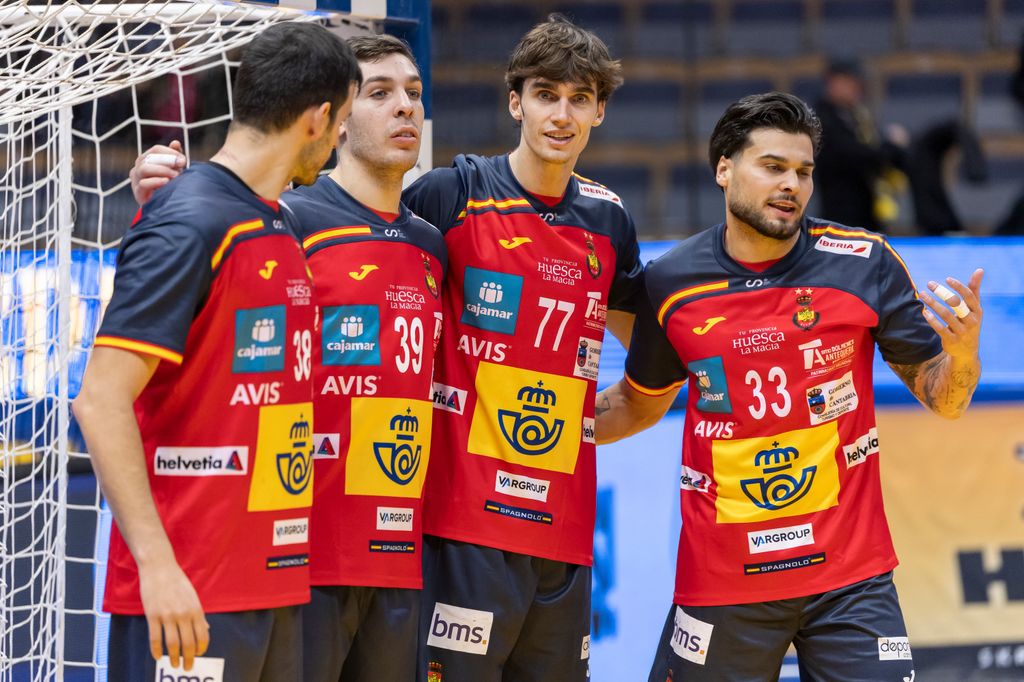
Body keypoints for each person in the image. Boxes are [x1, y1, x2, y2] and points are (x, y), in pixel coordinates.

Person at [595, 92, 983, 681]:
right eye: (773, 167)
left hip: (850, 582)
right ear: (724, 169)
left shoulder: (863, 262)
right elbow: (635, 404)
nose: (792, 185)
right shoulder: (671, 282)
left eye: (803, 172)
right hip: (723, 583)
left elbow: (944, 398)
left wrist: (961, 357)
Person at [129, 35, 446, 681]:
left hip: (398, 559)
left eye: (413, 94)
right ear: (333, 114)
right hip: (300, 559)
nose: (404, 109)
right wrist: (150, 202)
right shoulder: (283, 218)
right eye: (380, 94)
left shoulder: (431, 244)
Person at [72, 22, 360, 680]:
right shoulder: (189, 223)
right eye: (343, 122)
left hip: (273, 591)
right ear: (318, 119)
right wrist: (158, 567)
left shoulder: (276, 220)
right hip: (189, 595)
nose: (340, 141)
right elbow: (99, 399)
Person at [401, 14, 644, 680]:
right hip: (460, 532)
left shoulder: (609, 220)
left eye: (578, 98)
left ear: (598, 111)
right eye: (545, 94)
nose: (561, 114)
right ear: (516, 102)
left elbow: (655, 361)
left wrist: (604, 419)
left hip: (565, 540)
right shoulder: (451, 194)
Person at [815, 58, 908, 232]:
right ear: (835, 82)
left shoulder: (857, 115)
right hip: (842, 216)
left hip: (867, 211)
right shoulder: (822, 119)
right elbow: (857, 155)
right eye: (852, 82)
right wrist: (891, 146)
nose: (857, 88)